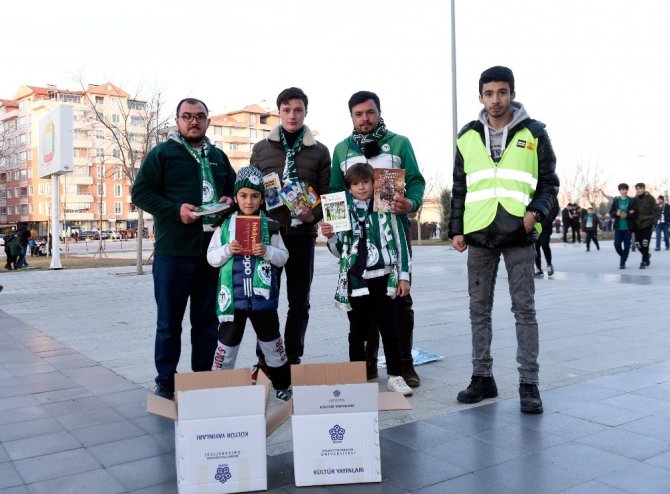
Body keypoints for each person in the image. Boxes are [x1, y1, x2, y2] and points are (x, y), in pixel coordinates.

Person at [448, 66, 559, 414]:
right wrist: (456, 228)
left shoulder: (534, 132)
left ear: (512, 93)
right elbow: (460, 187)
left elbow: (549, 183)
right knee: (478, 310)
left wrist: (536, 213)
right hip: (479, 234)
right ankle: (482, 377)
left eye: (502, 92)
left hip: (519, 233)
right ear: (480, 96)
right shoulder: (467, 136)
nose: (495, 99)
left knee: (524, 310)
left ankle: (529, 383)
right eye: (489, 93)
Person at [131, 97, 236, 400]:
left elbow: (232, 191)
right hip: (173, 254)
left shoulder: (218, 156)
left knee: (206, 323)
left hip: (210, 255)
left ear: (208, 121)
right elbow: (140, 193)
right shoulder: (162, 154)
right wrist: (176, 211)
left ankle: (202, 380)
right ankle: (166, 381)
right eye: (187, 116)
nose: (194, 121)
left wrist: (229, 201)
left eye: (200, 116)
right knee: (169, 323)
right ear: (177, 121)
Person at [331, 90, 425, 387]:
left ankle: (404, 364)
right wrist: (334, 230)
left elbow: (416, 181)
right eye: (358, 114)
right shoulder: (342, 149)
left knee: (399, 301)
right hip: (357, 238)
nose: (365, 119)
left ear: (379, 112)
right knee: (363, 304)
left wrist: (410, 203)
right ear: (351, 117)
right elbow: (336, 191)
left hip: (391, 231)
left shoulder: (399, 143)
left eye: (370, 112)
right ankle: (367, 362)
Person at [250, 87, 331, 369]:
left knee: (299, 302)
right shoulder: (261, 149)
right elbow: (251, 190)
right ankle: (267, 358)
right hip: (269, 236)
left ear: (306, 111)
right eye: (286, 110)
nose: (292, 115)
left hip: (302, 236)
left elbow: (328, 193)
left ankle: (293, 356)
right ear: (279, 112)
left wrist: (315, 215)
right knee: (263, 299)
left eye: (298, 110)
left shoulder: (319, 151)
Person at [321, 163, 413, 396]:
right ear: (348, 187)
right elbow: (339, 251)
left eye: (365, 182)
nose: (361, 187)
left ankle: (395, 375)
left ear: (374, 183)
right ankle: (355, 377)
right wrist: (331, 237)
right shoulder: (340, 210)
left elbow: (401, 242)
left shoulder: (386, 204)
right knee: (357, 331)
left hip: (384, 277)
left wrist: (404, 277)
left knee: (390, 329)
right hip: (356, 279)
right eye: (355, 184)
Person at [207, 167, 292, 401]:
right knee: (226, 347)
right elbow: (211, 258)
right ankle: (219, 387)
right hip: (233, 302)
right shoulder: (225, 227)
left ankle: (283, 384)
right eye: (243, 195)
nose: (249, 201)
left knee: (273, 346)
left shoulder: (271, 226)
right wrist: (227, 250)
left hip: (263, 301)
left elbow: (283, 256)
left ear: (263, 198)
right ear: (236, 197)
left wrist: (267, 252)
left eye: (255, 196)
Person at [609, 183, 636, 269]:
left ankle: (622, 262)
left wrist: (627, 215)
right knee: (617, 244)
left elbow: (635, 213)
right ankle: (623, 256)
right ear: (619, 191)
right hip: (618, 227)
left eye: (625, 189)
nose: (624, 191)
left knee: (627, 246)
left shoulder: (631, 200)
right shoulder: (616, 200)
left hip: (628, 227)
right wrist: (616, 214)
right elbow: (611, 213)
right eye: (622, 190)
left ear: (627, 190)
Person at [632, 182, 659, 269]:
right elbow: (631, 211)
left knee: (645, 243)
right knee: (637, 244)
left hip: (648, 223)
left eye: (640, 188)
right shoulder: (634, 200)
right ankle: (647, 255)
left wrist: (654, 221)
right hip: (637, 224)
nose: (639, 190)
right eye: (637, 188)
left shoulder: (650, 198)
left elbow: (657, 210)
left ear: (644, 189)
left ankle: (643, 261)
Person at [534, 199, 559, 277]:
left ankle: (549, 264)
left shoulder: (550, 195)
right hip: (535, 226)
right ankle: (538, 268)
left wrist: (547, 220)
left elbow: (555, 209)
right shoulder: (533, 193)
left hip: (546, 227)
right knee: (535, 248)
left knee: (544, 245)